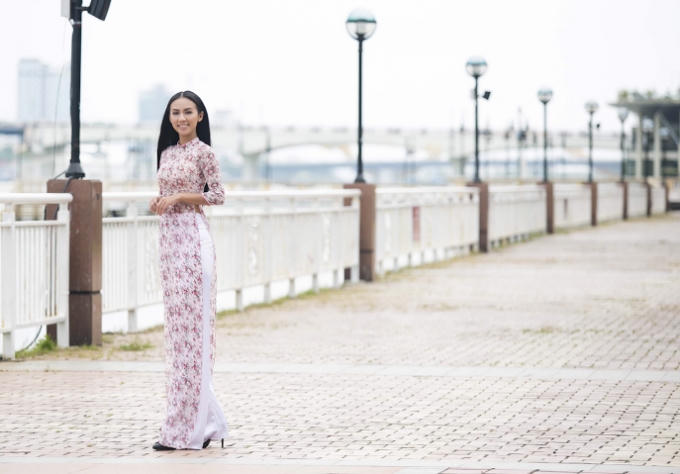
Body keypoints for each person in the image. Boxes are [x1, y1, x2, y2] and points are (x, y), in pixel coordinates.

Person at [150, 90, 228, 450]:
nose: (181, 118)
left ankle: (189, 427)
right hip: (170, 242)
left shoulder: (204, 152)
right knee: (178, 337)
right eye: (175, 113)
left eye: (187, 112)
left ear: (200, 116)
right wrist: (160, 201)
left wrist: (181, 197)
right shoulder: (166, 153)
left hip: (195, 243)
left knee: (193, 336)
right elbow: (166, 193)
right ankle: (201, 422)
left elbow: (217, 195)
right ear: (169, 118)